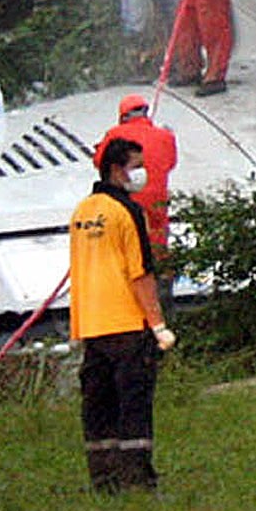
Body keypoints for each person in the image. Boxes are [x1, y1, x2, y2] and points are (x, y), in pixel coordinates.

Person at [70, 136, 174, 492]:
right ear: (117, 170)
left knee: (98, 408)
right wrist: (158, 325)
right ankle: (138, 481)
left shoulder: (82, 211)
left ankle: (104, 480)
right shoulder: (127, 211)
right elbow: (140, 273)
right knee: (133, 405)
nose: (142, 173)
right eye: (136, 166)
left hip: (92, 326)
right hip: (128, 325)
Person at [93, 94, 180, 256]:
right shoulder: (166, 136)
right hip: (157, 199)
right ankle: (160, 274)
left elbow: (100, 162)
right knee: (157, 240)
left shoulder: (114, 134)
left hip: (126, 199)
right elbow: (171, 163)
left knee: (127, 243)